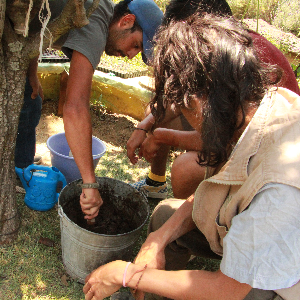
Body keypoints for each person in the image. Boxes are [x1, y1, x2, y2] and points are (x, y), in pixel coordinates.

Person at [83, 14, 300, 300]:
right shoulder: (248, 111)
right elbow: (220, 190)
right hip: (252, 237)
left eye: (182, 107)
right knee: (165, 217)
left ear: (197, 101)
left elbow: (227, 290)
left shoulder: (278, 182)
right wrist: (156, 239)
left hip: (281, 284)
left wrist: (125, 274)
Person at [127, 0, 300, 200]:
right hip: (239, 139)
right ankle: (156, 184)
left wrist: (160, 136)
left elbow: (222, 136)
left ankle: (205, 224)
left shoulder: (235, 55)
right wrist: (144, 126)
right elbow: (184, 100)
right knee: (156, 112)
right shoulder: (218, 47)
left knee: (185, 169)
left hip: (265, 158)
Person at [15, 0, 163, 216]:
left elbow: (36, 26)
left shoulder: (95, 8)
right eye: (136, 45)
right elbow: (75, 107)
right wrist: (90, 184)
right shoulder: (96, 24)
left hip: (17, 34)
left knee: (31, 103)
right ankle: (14, 172)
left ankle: (20, 167)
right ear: (126, 21)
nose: (131, 55)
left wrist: (32, 72)